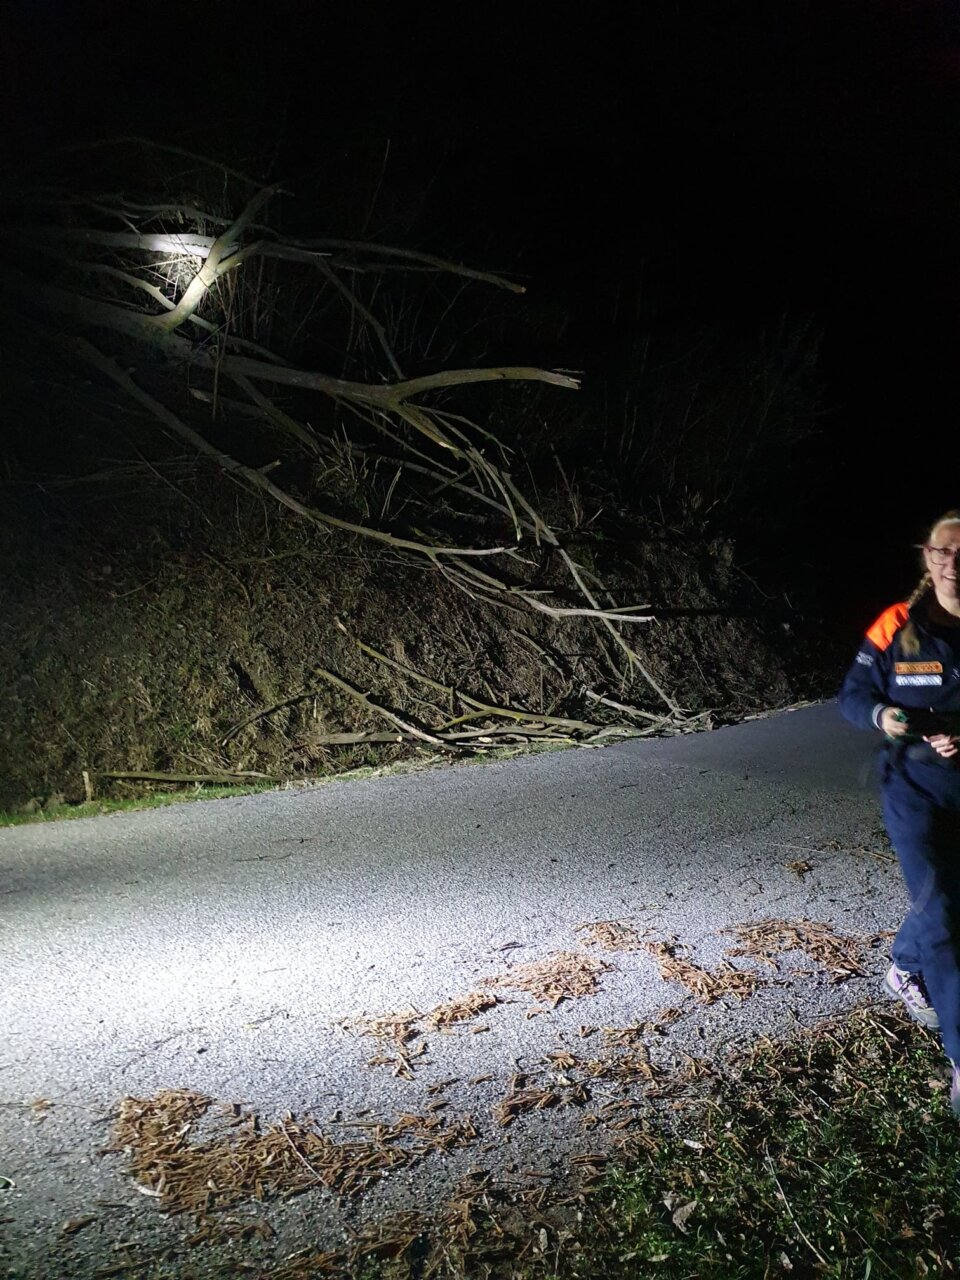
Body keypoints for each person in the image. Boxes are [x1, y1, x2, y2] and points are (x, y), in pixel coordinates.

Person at [839, 509, 960, 1117]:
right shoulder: (896, 624)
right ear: (927, 557)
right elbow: (853, 696)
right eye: (943, 551)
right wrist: (885, 718)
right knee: (943, 912)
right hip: (914, 786)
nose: (954, 563)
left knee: (950, 899)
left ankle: (905, 966)